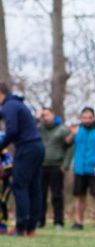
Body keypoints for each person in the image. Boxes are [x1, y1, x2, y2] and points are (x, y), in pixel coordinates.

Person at [0, 82, 45, 237]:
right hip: (37, 147)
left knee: (20, 186)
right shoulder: (16, 104)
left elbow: (12, 130)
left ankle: (21, 228)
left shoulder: (9, 105)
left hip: (26, 148)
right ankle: (30, 229)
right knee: (33, 188)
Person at [38, 107, 74, 229]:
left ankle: (58, 221)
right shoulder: (39, 129)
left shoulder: (62, 129)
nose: (45, 117)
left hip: (56, 166)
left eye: (47, 115)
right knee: (40, 194)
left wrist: (66, 164)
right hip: (41, 166)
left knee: (56, 195)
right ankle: (39, 220)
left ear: (53, 115)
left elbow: (70, 146)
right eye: (43, 115)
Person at [0, 142, 12, 234]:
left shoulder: (4, 152)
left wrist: (3, 170)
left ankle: (3, 226)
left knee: (2, 201)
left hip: (6, 182)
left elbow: (9, 167)